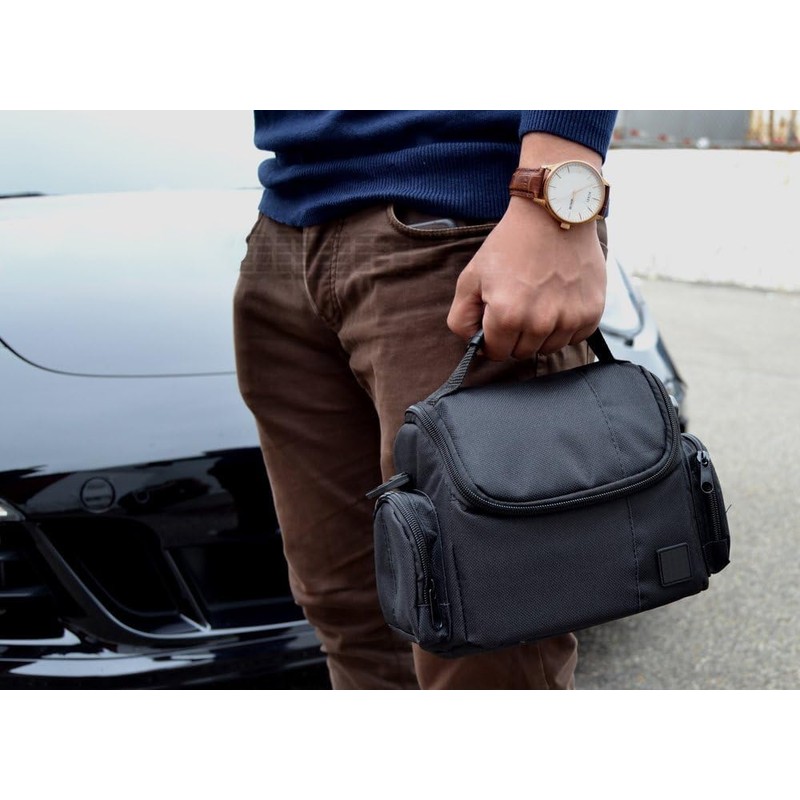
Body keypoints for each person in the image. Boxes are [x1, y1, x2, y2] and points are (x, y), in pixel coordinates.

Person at [234, 110, 618, 689]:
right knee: (350, 612)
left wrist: (553, 189)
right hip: (287, 221)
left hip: (455, 221)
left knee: (486, 633)